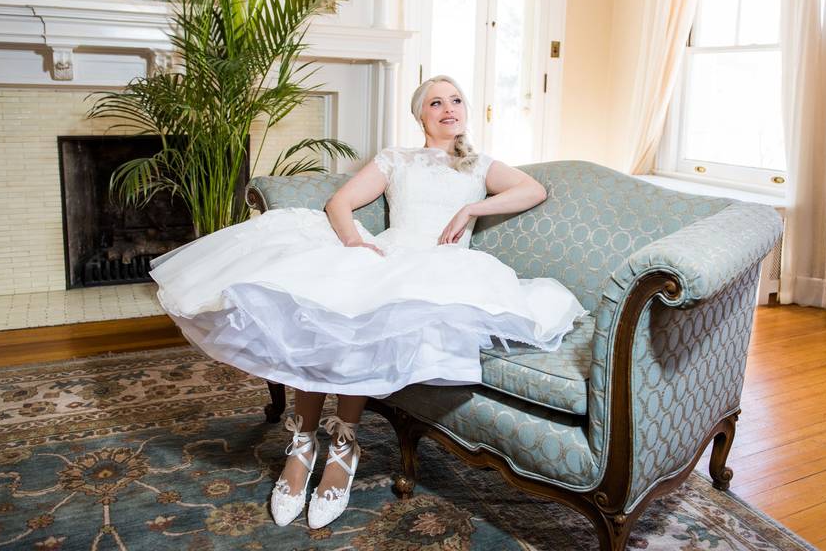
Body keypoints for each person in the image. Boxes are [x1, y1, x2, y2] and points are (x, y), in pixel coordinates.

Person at [148, 75, 587, 530]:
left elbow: (532, 190)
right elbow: (339, 203)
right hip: (387, 255)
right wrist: (355, 244)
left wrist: (471, 210)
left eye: (456, 100)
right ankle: (302, 444)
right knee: (328, 307)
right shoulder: (396, 159)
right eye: (436, 102)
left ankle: (343, 447)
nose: (448, 108)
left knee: (363, 316)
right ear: (421, 115)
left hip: (439, 269)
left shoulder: (479, 165)